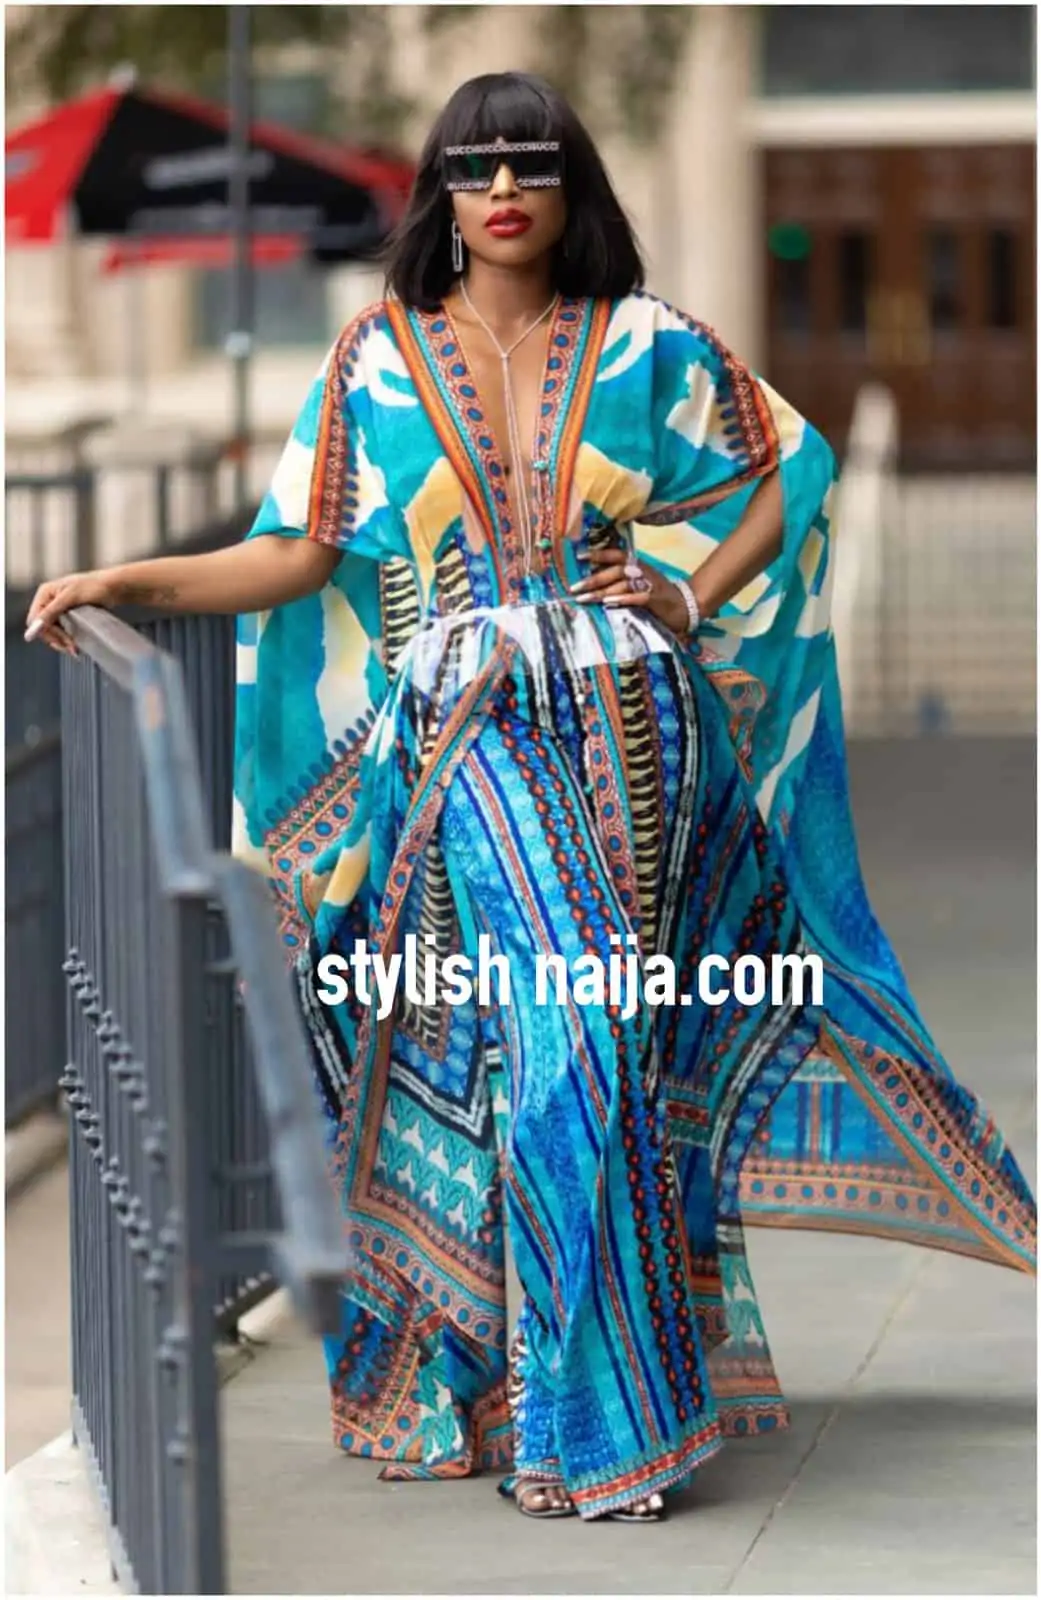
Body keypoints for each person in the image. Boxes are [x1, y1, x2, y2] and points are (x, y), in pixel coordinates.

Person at [26, 72, 1036, 1525]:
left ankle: (585, 1416)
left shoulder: (644, 342)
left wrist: (687, 592)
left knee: (583, 1048)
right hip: (458, 742)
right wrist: (121, 580)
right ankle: (562, 1406)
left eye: (531, 163)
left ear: (572, 189)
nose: (503, 189)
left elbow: (790, 465)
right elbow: (295, 554)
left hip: (629, 730)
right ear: (443, 191)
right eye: (476, 165)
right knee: (522, 1051)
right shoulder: (375, 361)